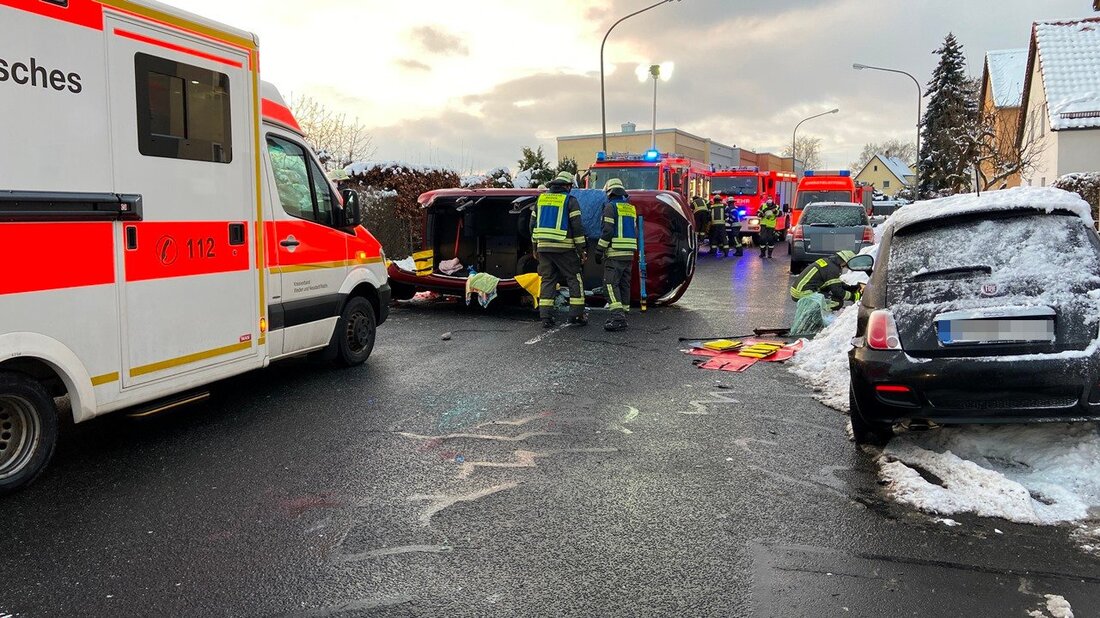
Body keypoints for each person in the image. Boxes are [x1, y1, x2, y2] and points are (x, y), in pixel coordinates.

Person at [531, 171, 588, 328]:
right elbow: (577, 227)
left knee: (547, 280)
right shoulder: (570, 200)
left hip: (543, 248)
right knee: (574, 278)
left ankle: (546, 317)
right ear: (568, 185)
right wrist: (581, 249)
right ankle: (576, 315)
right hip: (565, 248)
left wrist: (535, 247)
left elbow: (532, 225)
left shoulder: (541, 199)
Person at [595, 178, 637, 332]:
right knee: (624, 284)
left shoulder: (610, 207)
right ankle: (623, 312)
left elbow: (607, 231)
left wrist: (599, 250)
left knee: (610, 285)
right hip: (629, 254)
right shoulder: (630, 208)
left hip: (615, 253)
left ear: (609, 192)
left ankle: (618, 318)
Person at [790, 250, 861, 310]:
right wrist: (853, 297)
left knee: (827, 290)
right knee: (837, 302)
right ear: (845, 261)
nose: (846, 267)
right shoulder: (833, 269)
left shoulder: (828, 262)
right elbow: (837, 291)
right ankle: (814, 314)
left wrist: (851, 288)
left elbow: (834, 283)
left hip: (798, 290)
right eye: (847, 265)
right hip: (803, 293)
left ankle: (815, 308)